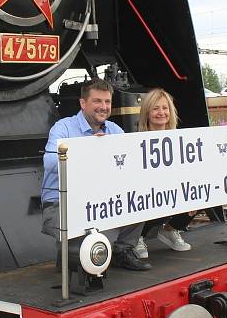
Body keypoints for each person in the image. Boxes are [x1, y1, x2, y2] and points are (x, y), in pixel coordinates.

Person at [40, 78, 150, 270]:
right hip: (61, 203)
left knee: (140, 201)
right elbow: (50, 163)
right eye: (97, 101)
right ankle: (72, 261)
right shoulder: (63, 128)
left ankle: (121, 251)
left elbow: (133, 165)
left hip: (102, 199)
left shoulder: (115, 130)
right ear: (83, 103)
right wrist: (89, 150)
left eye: (107, 102)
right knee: (80, 258)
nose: (104, 107)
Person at [133, 88, 194, 260]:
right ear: (147, 113)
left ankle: (171, 229)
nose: (161, 113)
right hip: (150, 193)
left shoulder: (181, 140)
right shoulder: (135, 142)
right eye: (155, 108)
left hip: (173, 189)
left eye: (165, 108)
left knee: (198, 193)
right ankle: (138, 237)